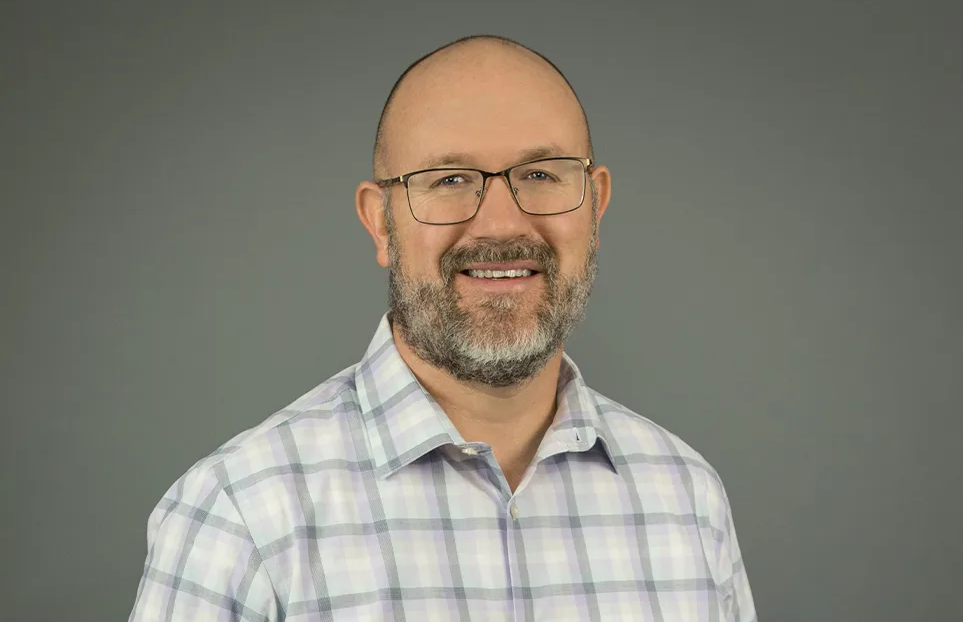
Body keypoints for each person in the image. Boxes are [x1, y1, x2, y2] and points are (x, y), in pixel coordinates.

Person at [129, 34, 756, 621]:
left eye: (541, 174)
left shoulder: (687, 498)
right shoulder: (239, 515)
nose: (502, 224)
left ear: (595, 205)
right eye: (449, 180)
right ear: (380, 222)